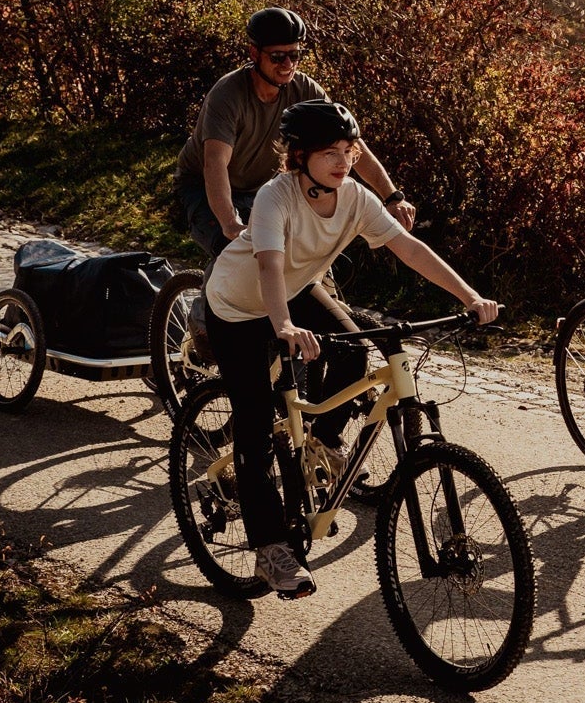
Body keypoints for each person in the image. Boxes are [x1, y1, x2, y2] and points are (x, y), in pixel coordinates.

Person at [203, 99, 500, 597]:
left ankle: (322, 440)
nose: (343, 161)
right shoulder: (277, 198)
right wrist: (284, 326)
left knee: (354, 350)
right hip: (238, 305)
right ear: (299, 157)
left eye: (348, 150)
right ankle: (272, 549)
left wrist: (468, 296)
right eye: (329, 153)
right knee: (255, 426)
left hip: (294, 291)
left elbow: (409, 247)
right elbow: (269, 265)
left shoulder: (356, 198)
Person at [173, 7, 415, 259]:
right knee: (234, 255)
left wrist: (392, 196)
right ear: (254, 53)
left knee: (295, 253)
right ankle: (210, 299)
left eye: (294, 55)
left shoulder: (305, 89)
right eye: (277, 57)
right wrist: (231, 224)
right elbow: (215, 163)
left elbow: (351, 145)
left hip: (262, 187)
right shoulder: (227, 95)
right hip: (202, 185)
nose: (287, 65)